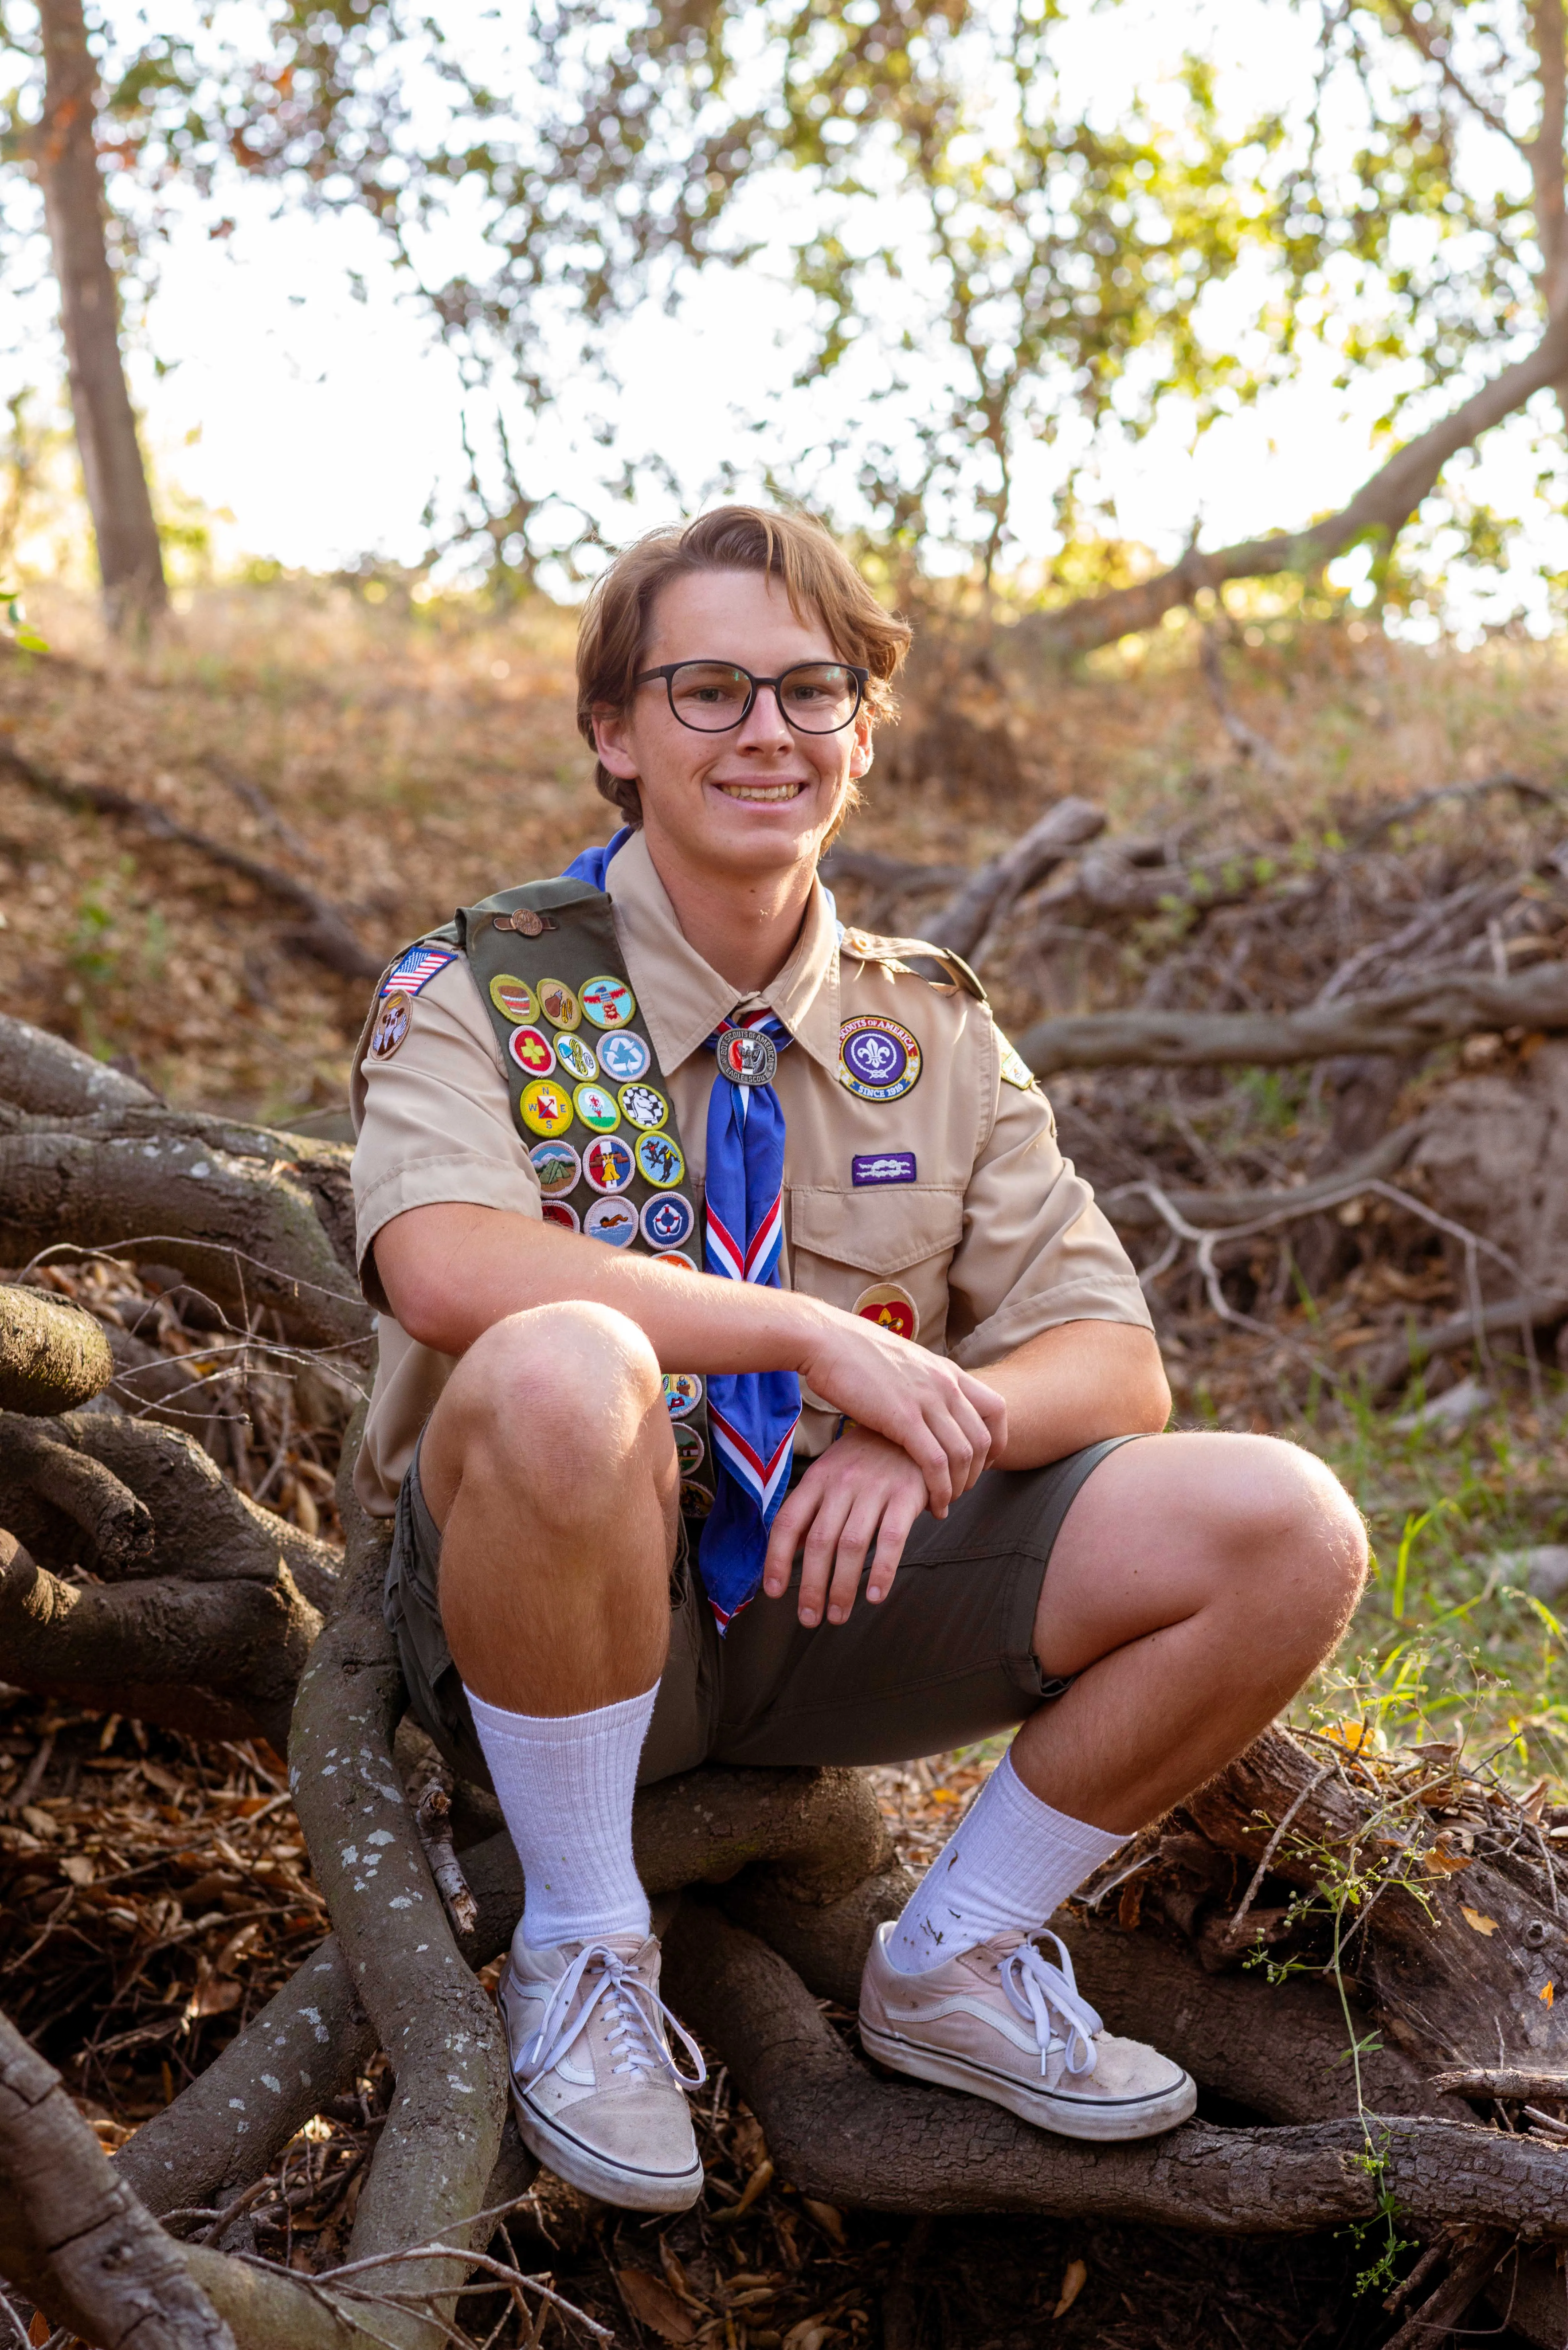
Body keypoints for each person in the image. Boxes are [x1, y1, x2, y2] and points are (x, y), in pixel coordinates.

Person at [348, 505, 1368, 2214]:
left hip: (834, 1609)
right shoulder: (490, 989)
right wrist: (815, 1335)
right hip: (551, 1620)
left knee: (1287, 1524)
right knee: (562, 1364)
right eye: (710, 690)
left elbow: (1112, 1361)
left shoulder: (934, 1028)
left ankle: (955, 1960)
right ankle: (588, 1951)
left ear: (862, 738)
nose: (768, 732)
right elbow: (449, 1268)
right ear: (614, 733)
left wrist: (927, 1430)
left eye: (813, 691)